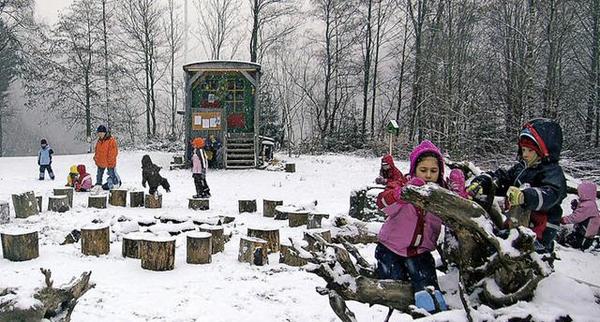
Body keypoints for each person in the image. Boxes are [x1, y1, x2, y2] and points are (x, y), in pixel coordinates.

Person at [375, 140, 453, 313]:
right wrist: (402, 194)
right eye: (423, 170)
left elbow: (456, 217)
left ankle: (432, 313)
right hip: (391, 248)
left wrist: (459, 193)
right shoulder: (403, 186)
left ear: (440, 172)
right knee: (395, 286)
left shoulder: (441, 195)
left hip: (420, 252)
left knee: (428, 288)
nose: (428, 175)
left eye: (433, 171)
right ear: (414, 170)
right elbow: (382, 203)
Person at [467, 118, 567, 254]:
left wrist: (526, 196)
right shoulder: (522, 169)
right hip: (516, 223)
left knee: (507, 249)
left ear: (542, 151)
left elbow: (551, 193)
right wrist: (485, 181)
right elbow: (504, 178)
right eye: (523, 149)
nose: (525, 154)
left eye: (530, 151)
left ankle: (539, 250)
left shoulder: (552, 172)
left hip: (540, 230)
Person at [559, 181, 600, 250]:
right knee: (574, 237)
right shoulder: (589, 203)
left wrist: (564, 220)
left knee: (573, 241)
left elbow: (577, 217)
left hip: (585, 232)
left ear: (585, 193)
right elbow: (580, 214)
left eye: (580, 192)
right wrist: (576, 208)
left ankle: (583, 244)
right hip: (585, 230)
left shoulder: (588, 205)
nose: (579, 194)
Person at [93, 125, 121, 190]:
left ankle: (115, 184)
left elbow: (113, 152)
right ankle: (98, 185)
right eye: (99, 133)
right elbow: (97, 151)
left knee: (112, 174)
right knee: (99, 175)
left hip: (109, 162)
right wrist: (96, 158)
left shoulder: (111, 140)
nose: (100, 134)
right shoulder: (99, 141)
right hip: (100, 161)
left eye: (101, 133)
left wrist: (110, 161)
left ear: (105, 133)